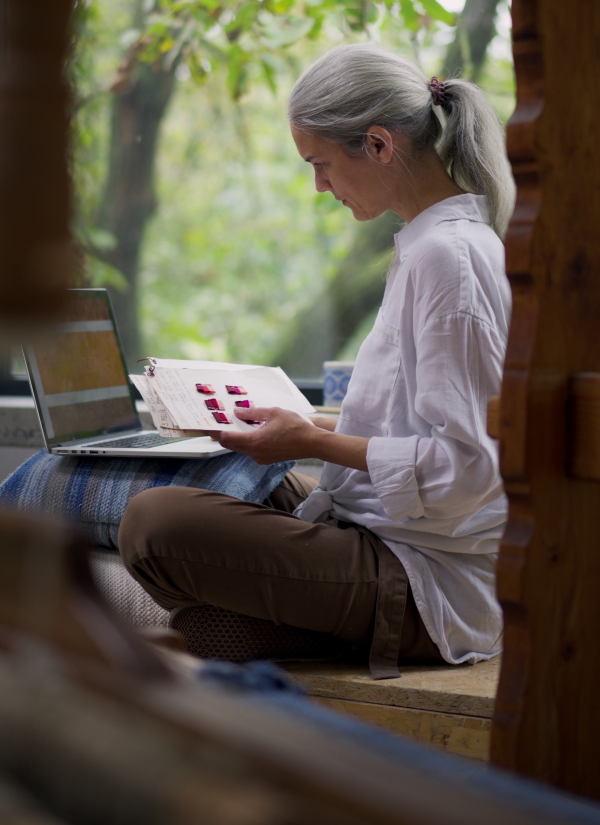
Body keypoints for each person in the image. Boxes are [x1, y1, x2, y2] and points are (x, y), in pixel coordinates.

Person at [119, 44, 515, 677]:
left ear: (380, 145)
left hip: (423, 575)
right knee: (178, 487)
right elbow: (411, 424)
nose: (319, 185)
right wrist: (304, 426)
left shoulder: (451, 260)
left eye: (322, 164)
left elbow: (469, 469)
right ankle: (253, 628)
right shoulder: (426, 246)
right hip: (377, 528)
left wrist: (312, 443)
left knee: (154, 523)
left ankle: (272, 629)